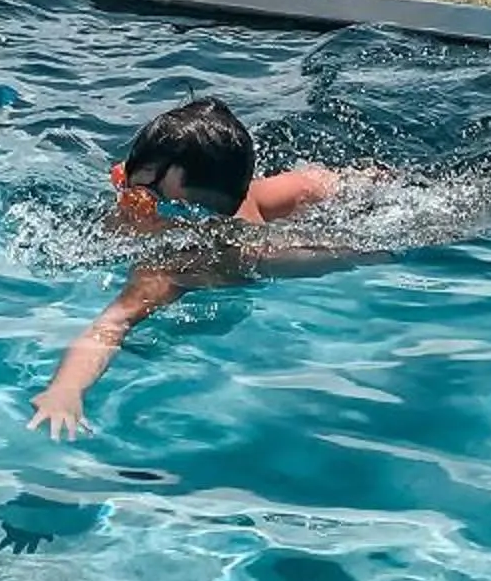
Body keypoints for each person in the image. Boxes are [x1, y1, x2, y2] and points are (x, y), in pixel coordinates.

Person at [30, 96, 346, 439]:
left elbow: (111, 325)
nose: (131, 209)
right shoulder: (236, 199)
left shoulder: (171, 266)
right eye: (130, 190)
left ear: (200, 220)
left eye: (145, 201)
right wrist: (65, 390)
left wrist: (67, 389)